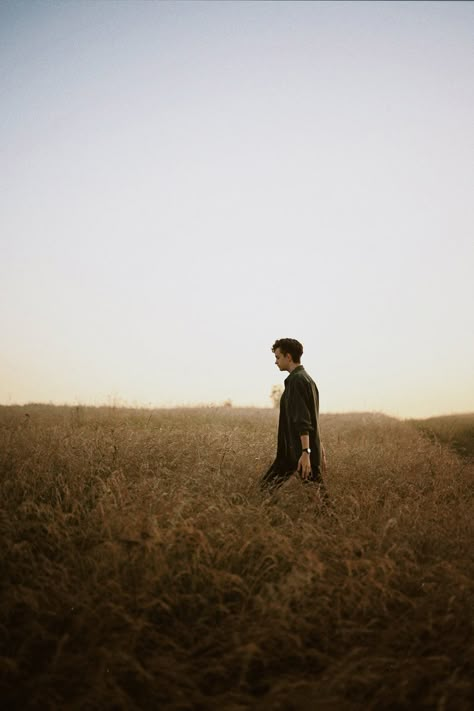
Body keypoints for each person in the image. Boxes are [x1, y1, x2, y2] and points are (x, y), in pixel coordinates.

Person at [260, 338, 328, 499]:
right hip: (292, 454)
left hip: (298, 454)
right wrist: (319, 449)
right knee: (265, 489)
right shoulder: (307, 379)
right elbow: (312, 418)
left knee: (320, 500)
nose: (275, 362)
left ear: (288, 357)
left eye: (277, 357)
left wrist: (306, 453)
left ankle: (333, 522)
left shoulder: (297, 381)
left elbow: (303, 420)